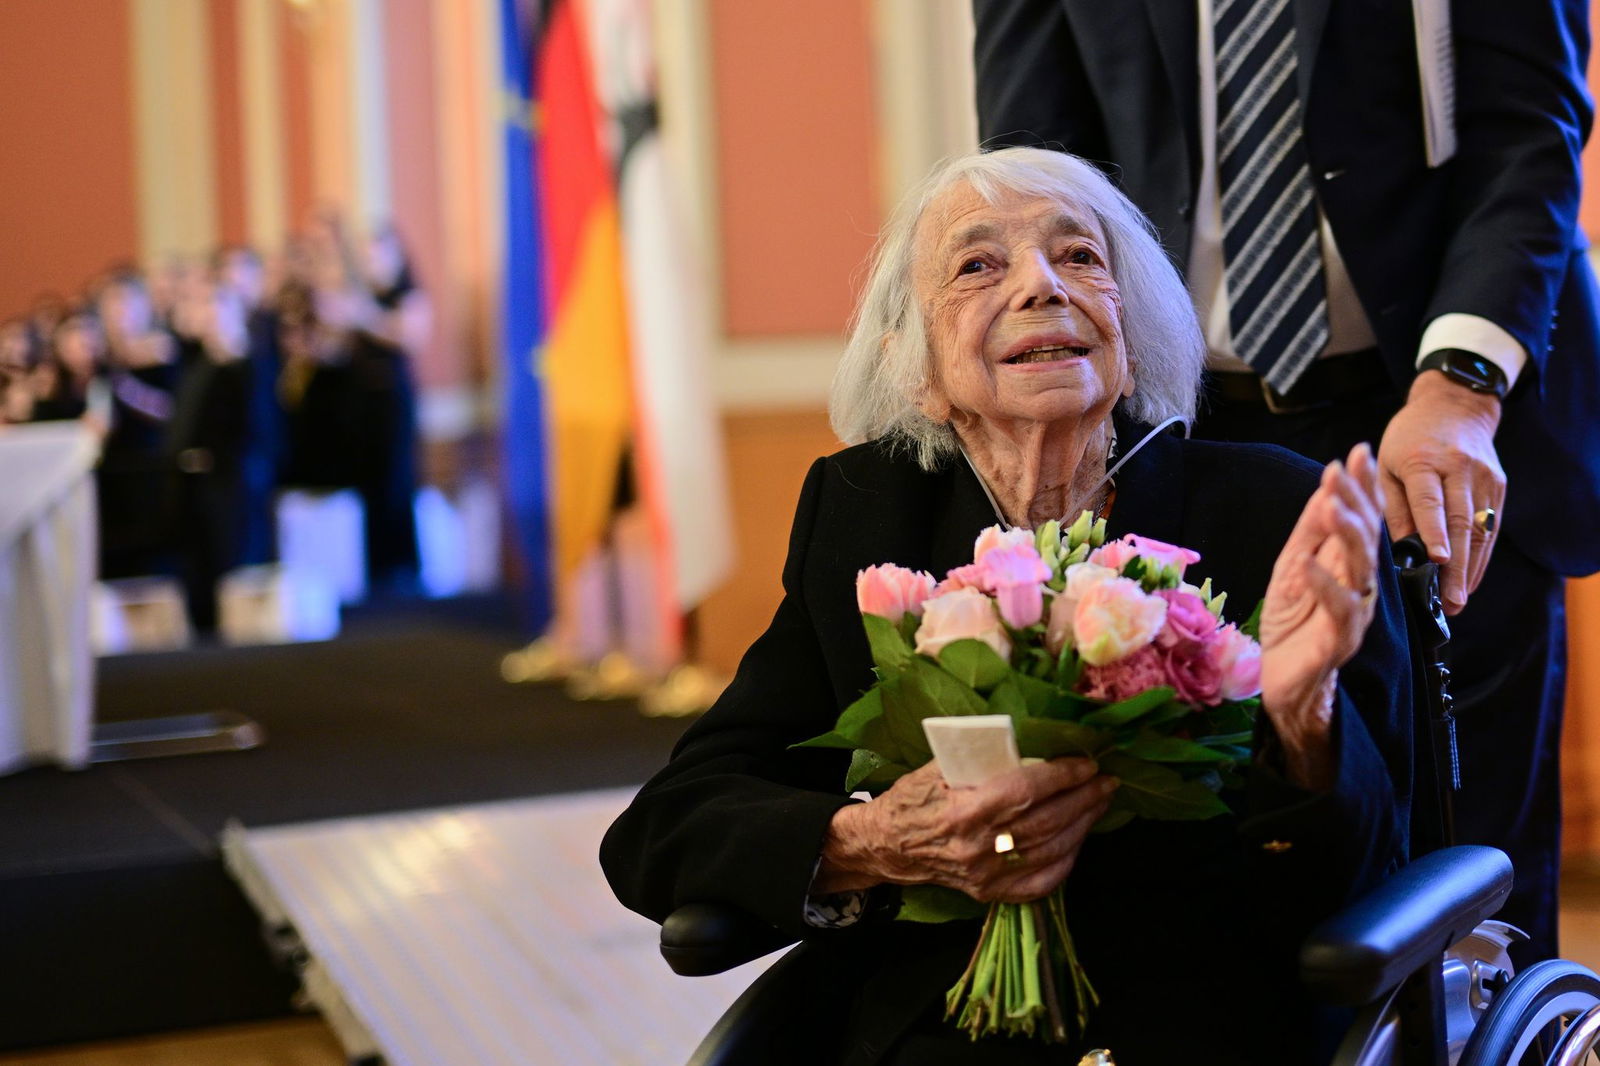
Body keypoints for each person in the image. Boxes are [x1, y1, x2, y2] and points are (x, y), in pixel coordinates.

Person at [601, 148, 1411, 1065]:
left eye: (1078, 258)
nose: (1042, 287)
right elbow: (666, 826)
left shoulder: (1280, 514)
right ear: (919, 372)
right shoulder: (867, 516)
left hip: (1201, 1015)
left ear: (1127, 335)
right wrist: (875, 840)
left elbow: (1377, 861)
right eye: (979, 265)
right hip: (937, 1022)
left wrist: (1299, 718)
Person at [972, 0, 1600, 966]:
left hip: (1434, 409)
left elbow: (1529, 133)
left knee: (1473, 872)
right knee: (1225, 848)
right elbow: (1038, 176)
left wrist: (1463, 386)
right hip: (1185, 428)